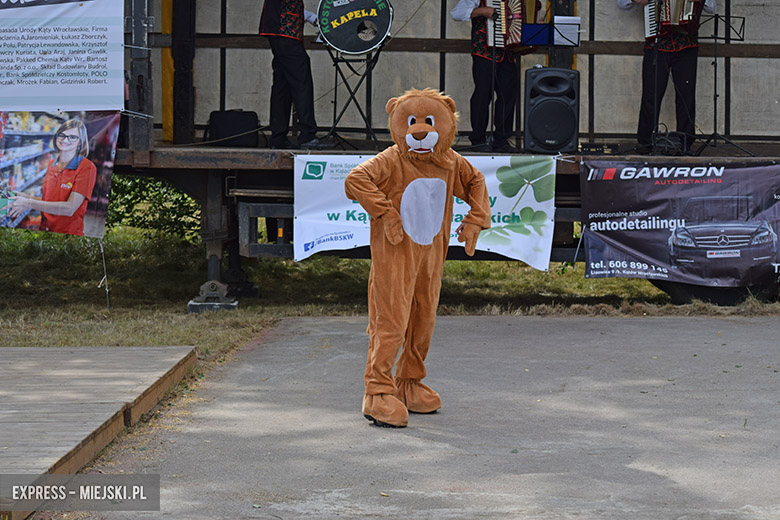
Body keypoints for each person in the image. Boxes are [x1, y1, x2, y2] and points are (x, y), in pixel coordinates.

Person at [618, 0, 717, 153]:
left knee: (686, 97)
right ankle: (645, 143)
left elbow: (712, 8)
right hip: (656, 46)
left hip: (686, 47)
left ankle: (685, 143)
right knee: (651, 95)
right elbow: (622, 5)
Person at [450, 0, 522, 152]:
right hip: (484, 52)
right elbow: (456, 13)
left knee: (508, 96)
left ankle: (501, 140)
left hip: (508, 53)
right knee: (482, 95)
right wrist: (482, 11)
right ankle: (478, 139)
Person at [7, 119, 97, 236]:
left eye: (72, 137)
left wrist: (28, 203)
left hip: (67, 235)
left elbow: (70, 209)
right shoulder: (52, 164)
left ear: (80, 142)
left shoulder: (87, 167)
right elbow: (49, 202)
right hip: (45, 230)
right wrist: (24, 196)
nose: (65, 140)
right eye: (62, 135)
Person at [259, 0, 323, 149]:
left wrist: (310, 17)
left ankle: (278, 137)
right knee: (302, 82)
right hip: (285, 32)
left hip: (280, 32)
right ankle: (307, 135)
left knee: (282, 87)